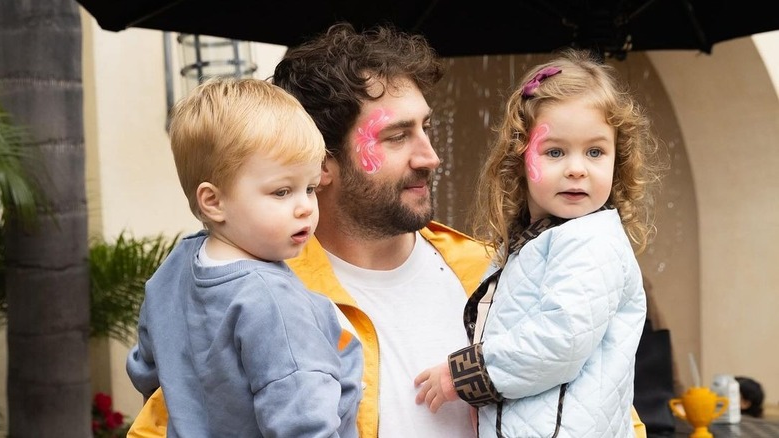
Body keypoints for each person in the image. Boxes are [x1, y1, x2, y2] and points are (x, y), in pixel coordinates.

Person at [127, 24, 647, 438]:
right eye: (397, 137)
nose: (431, 156)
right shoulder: (245, 295)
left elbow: (606, 409)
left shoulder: (492, 270)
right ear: (320, 162)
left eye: (425, 127)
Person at [414, 49, 664, 437]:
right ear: (519, 158)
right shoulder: (531, 242)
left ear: (618, 160)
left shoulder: (591, 242)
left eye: (595, 151)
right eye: (555, 151)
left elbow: (560, 341)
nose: (577, 168)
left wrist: (463, 375)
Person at [125, 77, 362, 437]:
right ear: (213, 201)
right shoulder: (273, 302)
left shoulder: (176, 267)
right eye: (282, 191)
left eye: (310, 188)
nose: (305, 208)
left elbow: (145, 369)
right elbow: (304, 423)